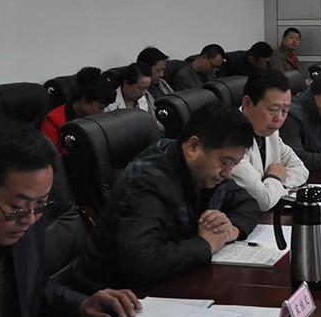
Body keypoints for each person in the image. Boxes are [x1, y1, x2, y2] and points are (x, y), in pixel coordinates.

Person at [0, 120, 140, 317]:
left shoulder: (24, 224)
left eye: (41, 204)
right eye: (17, 206)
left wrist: (81, 305)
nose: (30, 219)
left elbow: (35, 289)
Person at [70, 103, 260, 292]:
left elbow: (248, 203)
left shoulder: (206, 173)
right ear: (193, 146)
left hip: (174, 279)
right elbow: (142, 264)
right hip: (112, 294)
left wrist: (230, 231)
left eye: (234, 164)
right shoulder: (146, 183)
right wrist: (207, 243)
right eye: (225, 162)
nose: (228, 173)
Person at [231, 70, 309, 211]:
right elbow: (263, 200)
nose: (279, 118)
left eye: (285, 111)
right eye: (273, 109)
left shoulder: (270, 132)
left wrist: (276, 187)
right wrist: (275, 177)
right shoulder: (231, 140)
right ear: (247, 103)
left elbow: (301, 169)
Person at [41, 67, 116, 153]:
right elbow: (48, 156)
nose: (102, 113)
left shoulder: (94, 120)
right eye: (100, 108)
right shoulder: (54, 120)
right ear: (85, 100)